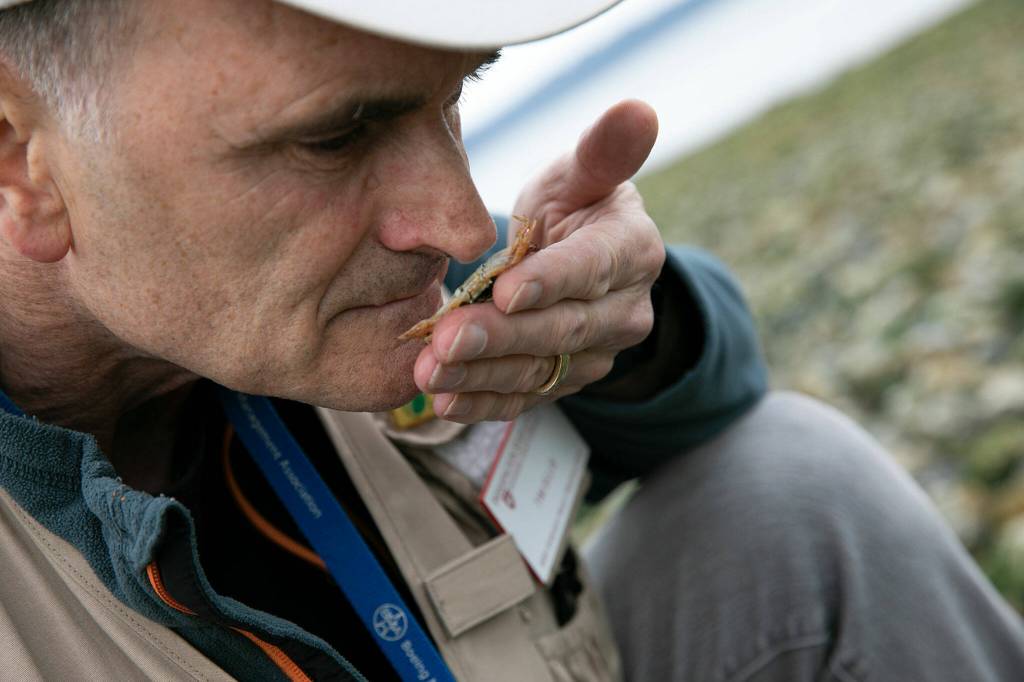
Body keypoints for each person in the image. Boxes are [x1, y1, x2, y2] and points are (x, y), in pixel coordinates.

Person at [0, 1, 1020, 680]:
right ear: (19, 165)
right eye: (335, 136)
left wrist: (620, 323)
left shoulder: (370, 285)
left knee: (793, 487)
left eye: (457, 96)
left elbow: (721, 386)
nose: (452, 220)